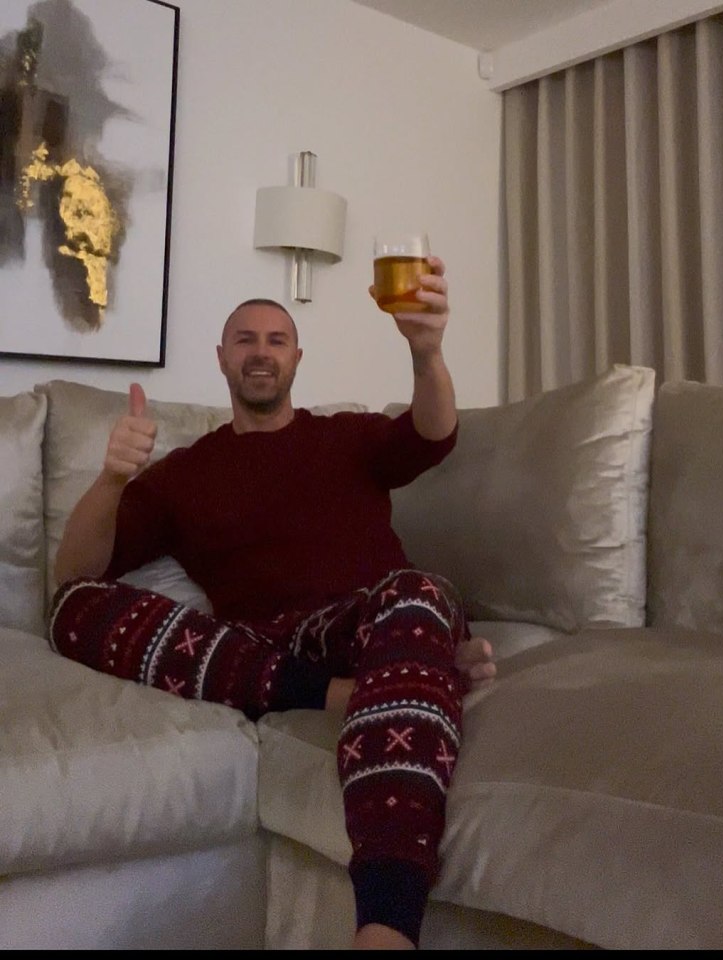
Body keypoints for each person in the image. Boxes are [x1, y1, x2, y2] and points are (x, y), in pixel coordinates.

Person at [49, 255, 495, 950]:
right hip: (265, 651)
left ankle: (385, 927)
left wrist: (426, 352)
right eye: (246, 340)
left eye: (276, 340)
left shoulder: (343, 435)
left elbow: (432, 435)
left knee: (420, 592)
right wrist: (111, 479)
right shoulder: (182, 474)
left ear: (296, 358)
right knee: (70, 613)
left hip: (374, 609)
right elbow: (75, 576)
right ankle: (390, 679)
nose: (261, 352)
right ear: (222, 358)